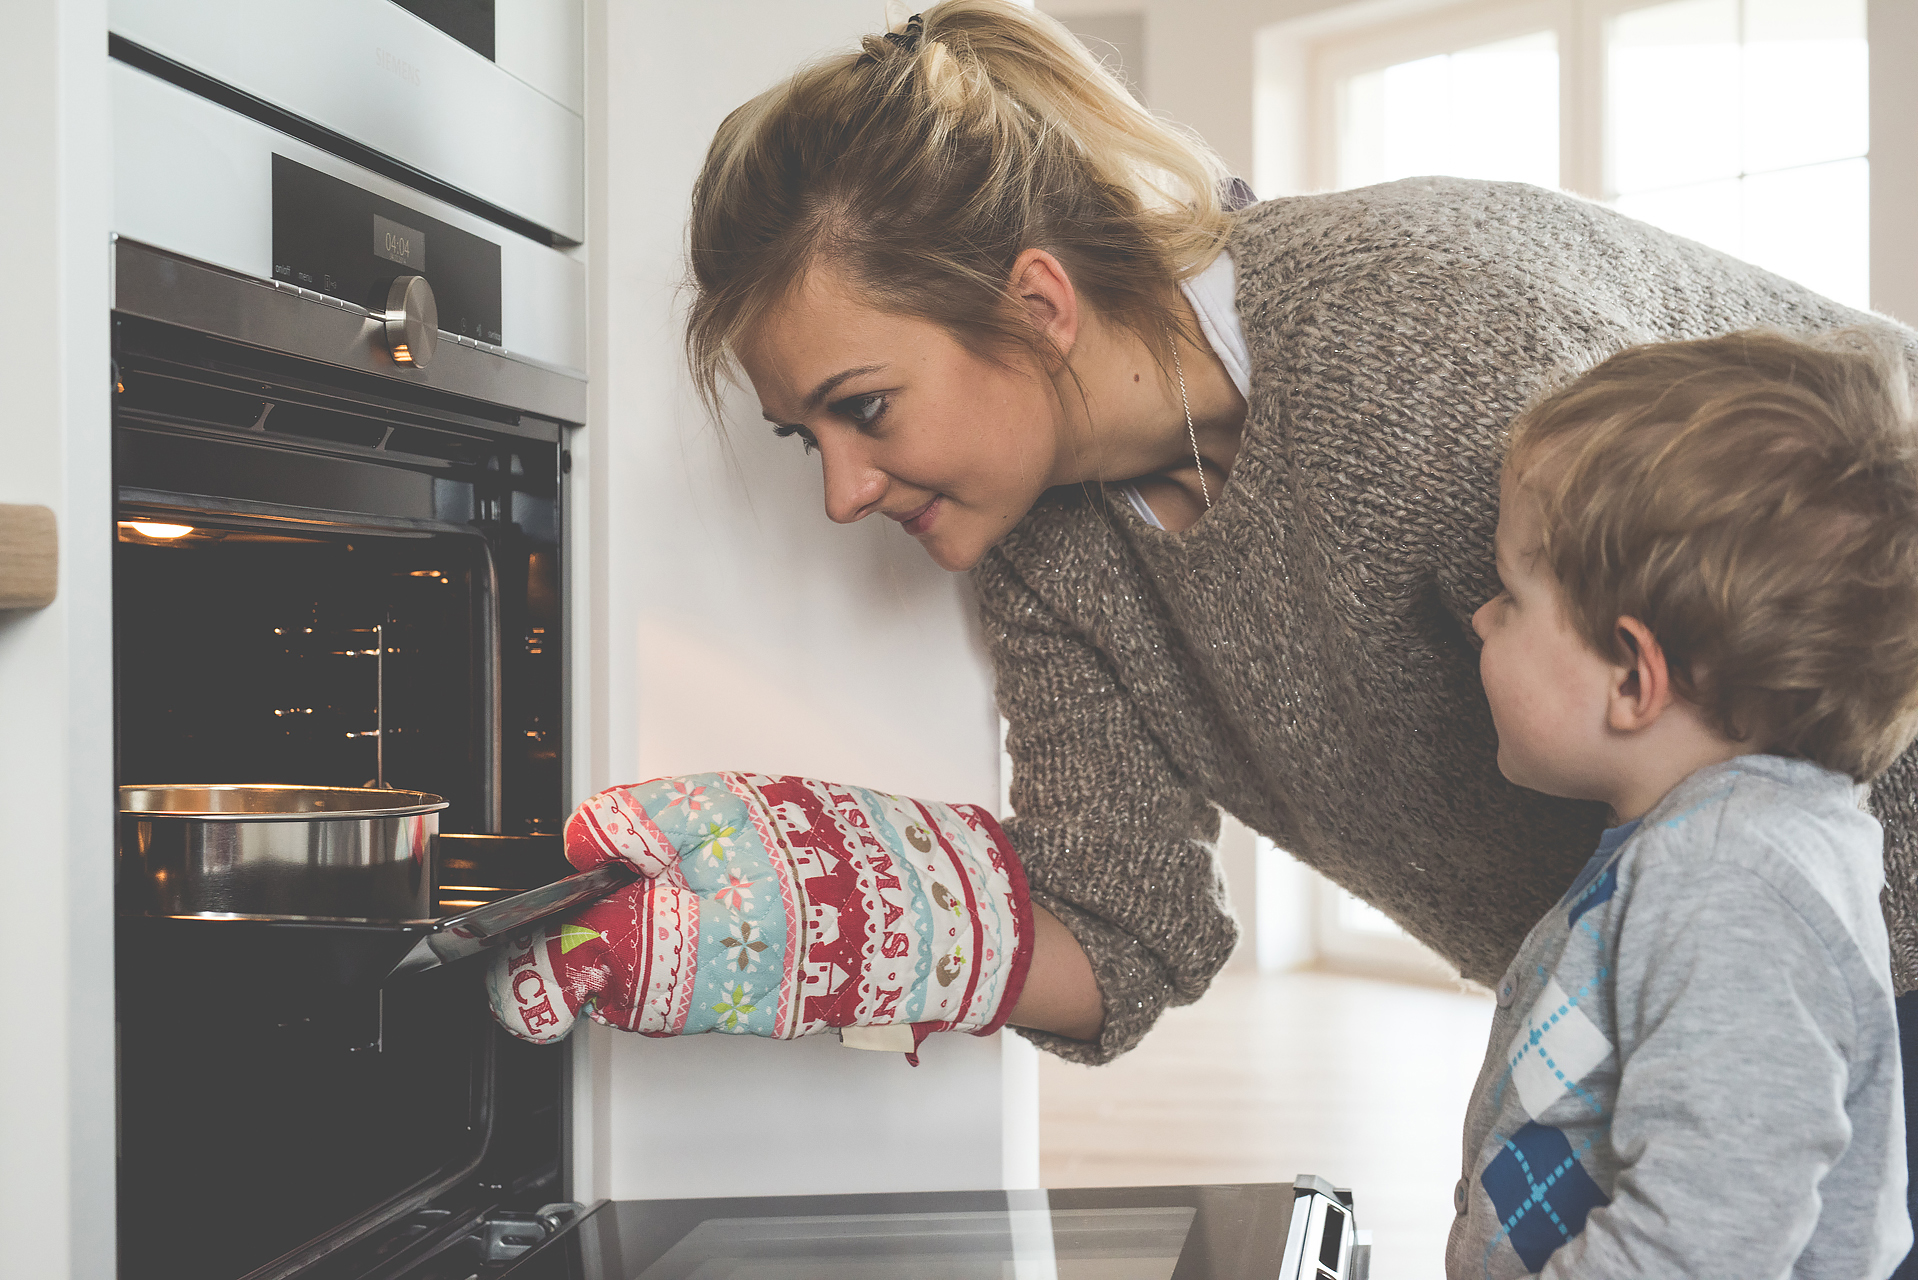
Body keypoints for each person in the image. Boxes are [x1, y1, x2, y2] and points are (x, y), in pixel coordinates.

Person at [496, 0, 1918, 1251]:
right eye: (804, 435)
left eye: (862, 408)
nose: (843, 490)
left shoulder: (1431, 344)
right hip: (1666, 1015)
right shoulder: (1044, 554)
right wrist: (829, 919)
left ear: (1037, 302)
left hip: (1822, 943)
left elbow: (1792, 639)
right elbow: (1123, 936)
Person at [1452, 329, 1917, 1278]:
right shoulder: (1717, 843)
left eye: (1509, 595)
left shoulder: (1727, 880)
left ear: (1633, 677)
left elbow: (1707, 1240)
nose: (1477, 618)